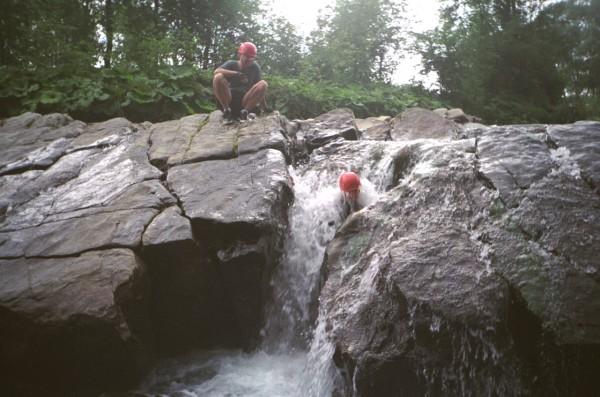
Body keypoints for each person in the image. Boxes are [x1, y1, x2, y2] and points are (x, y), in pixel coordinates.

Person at [212, 42, 268, 121]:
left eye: (251, 57)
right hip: (229, 99)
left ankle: (245, 112)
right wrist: (236, 74)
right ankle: (226, 110)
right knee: (218, 77)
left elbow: (260, 89)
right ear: (239, 55)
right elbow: (216, 71)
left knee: (263, 84)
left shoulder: (255, 67)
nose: (249, 59)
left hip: (245, 101)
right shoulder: (231, 64)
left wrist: (264, 107)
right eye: (246, 56)